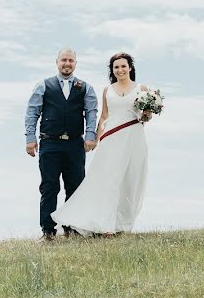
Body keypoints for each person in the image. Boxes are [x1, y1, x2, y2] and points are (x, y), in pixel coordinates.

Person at [51, 51, 152, 237]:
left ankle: (123, 223)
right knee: (108, 179)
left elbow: (147, 116)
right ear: (112, 70)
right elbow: (104, 116)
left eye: (123, 66)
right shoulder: (108, 90)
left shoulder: (142, 88)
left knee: (130, 180)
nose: (120, 70)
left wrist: (148, 114)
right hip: (112, 138)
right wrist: (95, 139)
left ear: (130, 68)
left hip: (134, 137)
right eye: (116, 67)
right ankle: (106, 226)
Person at [24, 48, 98, 242]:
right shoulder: (43, 86)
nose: (67, 64)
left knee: (75, 186)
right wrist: (30, 138)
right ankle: (48, 231)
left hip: (75, 144)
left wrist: (91, 136)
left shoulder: (85, 88)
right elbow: (32, 113)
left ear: (75, 63)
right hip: (49, 143)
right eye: (63, 60)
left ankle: (71, 228)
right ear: (57, 62)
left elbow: (91, 113)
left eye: (71, 61)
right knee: (49, 187)